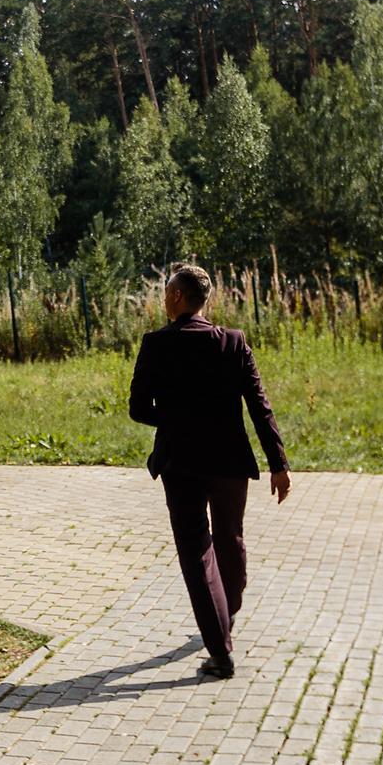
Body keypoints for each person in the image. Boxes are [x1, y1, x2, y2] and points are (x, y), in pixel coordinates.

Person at [128, 262, 289, 680]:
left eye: (166, 293)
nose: (163, 299)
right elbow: (260, 405)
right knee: (230, 538)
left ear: (178, 298)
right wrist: (278, 464)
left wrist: (178, 416)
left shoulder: (156, 344)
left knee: (196, 550)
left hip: (181, 463)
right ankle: (226, 614)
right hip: (230, 461)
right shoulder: (233, 344)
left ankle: (220, 650)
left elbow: (139, 409)